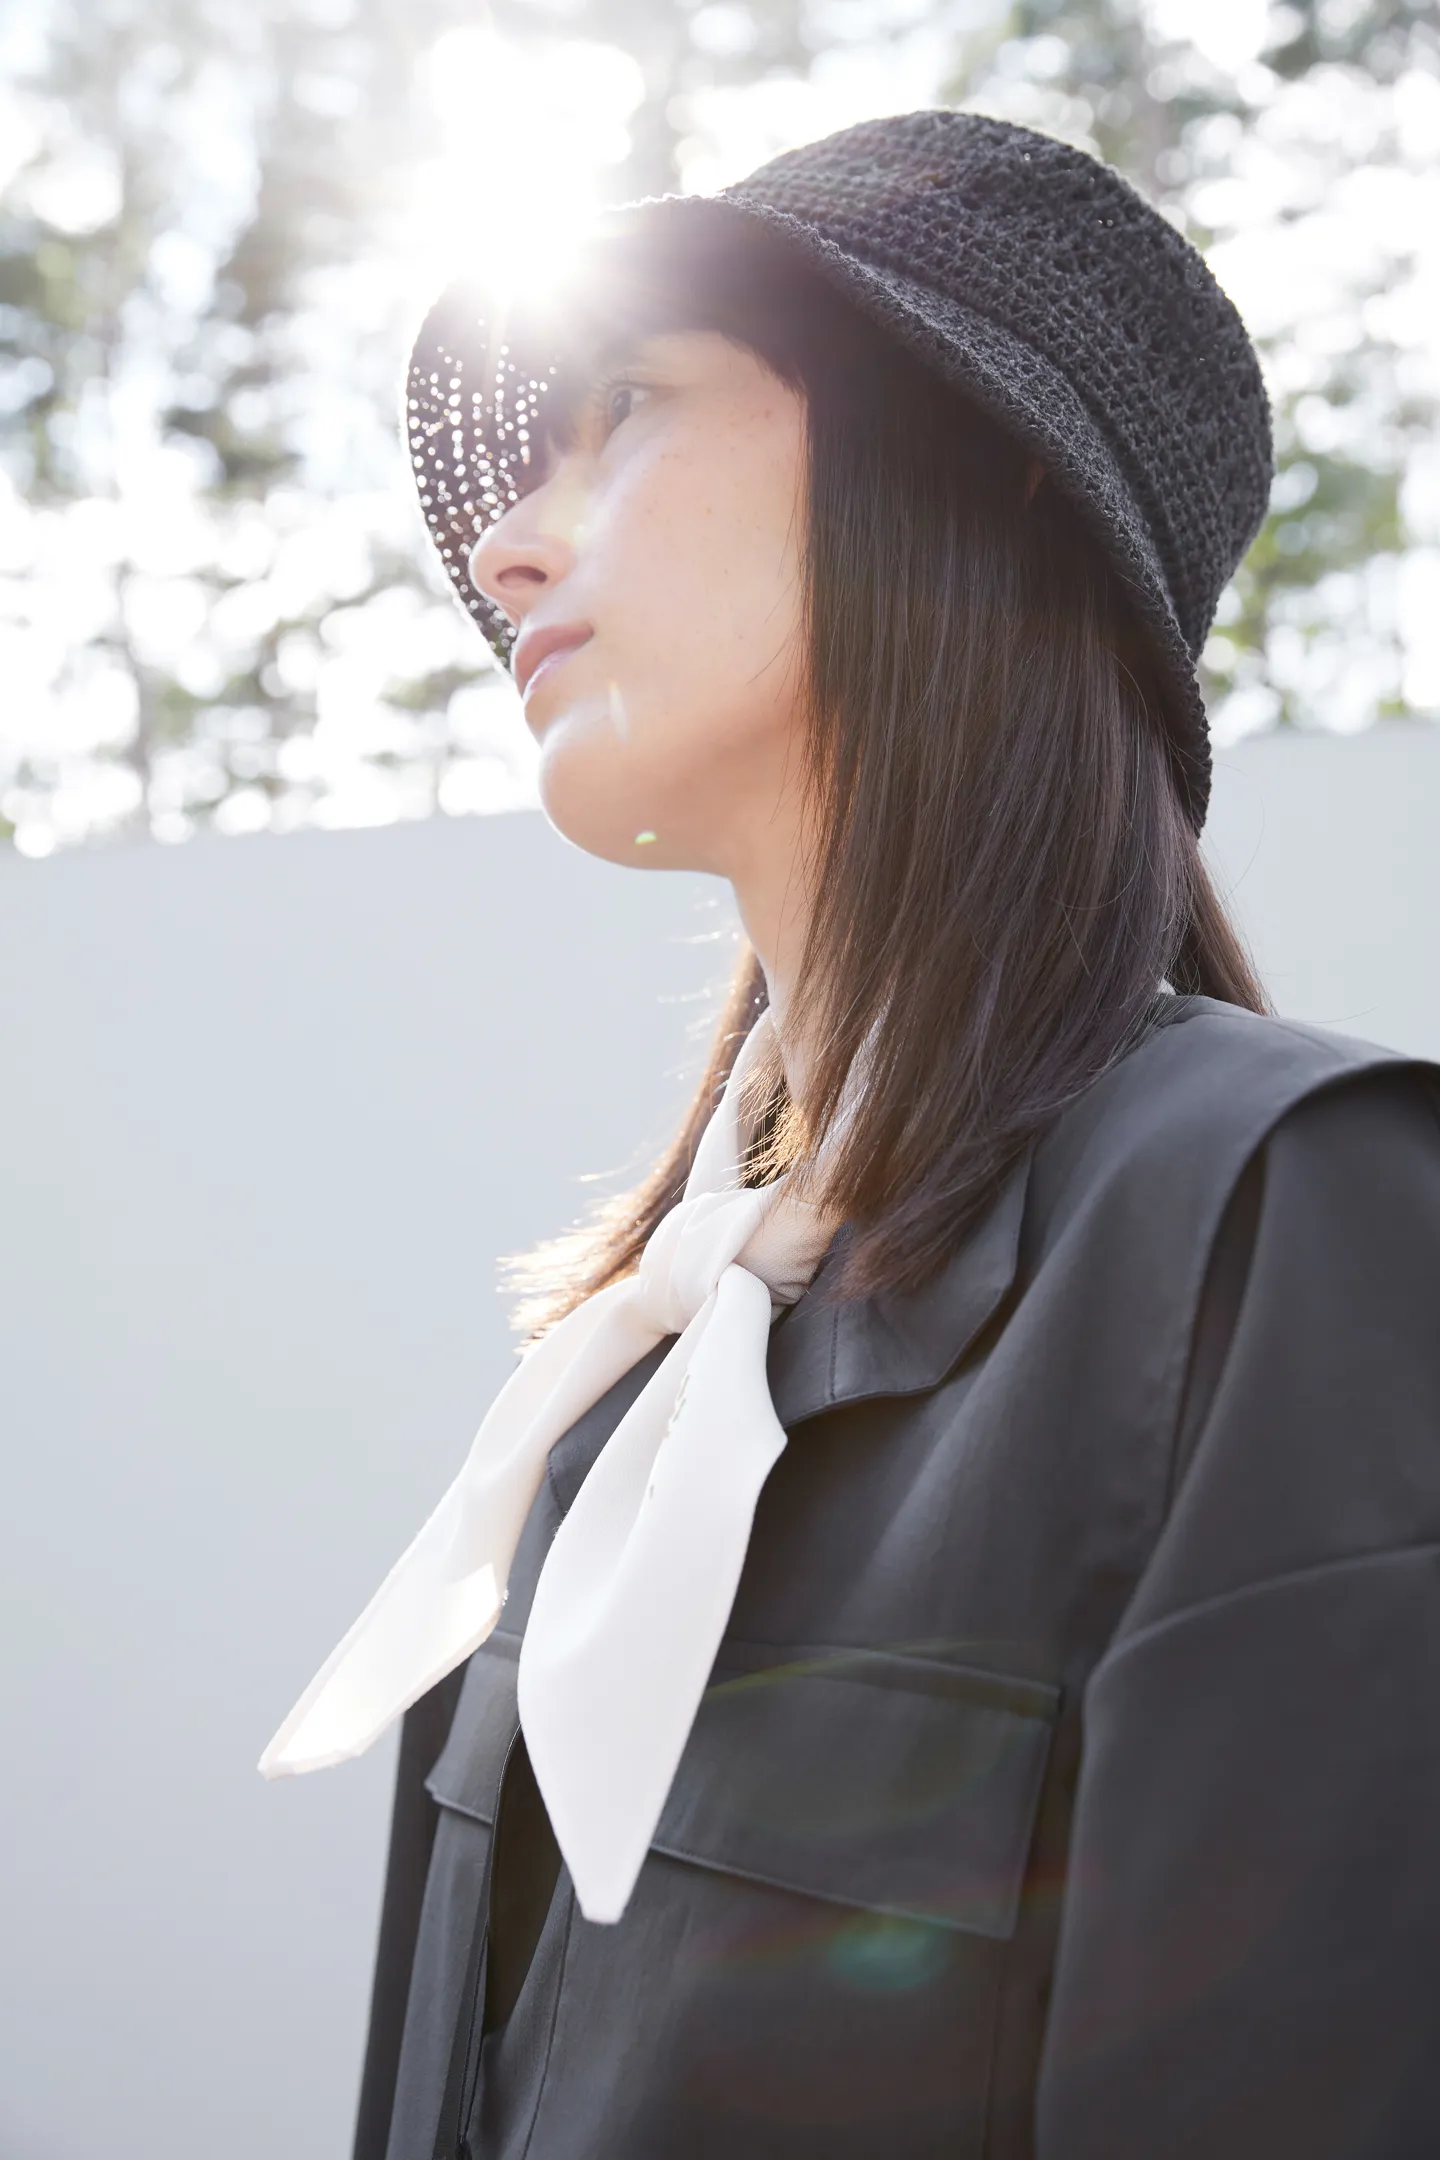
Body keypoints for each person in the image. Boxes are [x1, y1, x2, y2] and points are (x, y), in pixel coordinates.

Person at [262, 112, 1440, 2159]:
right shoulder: (612, 1389)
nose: (503, 547)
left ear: (981, 472)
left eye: (624, 409)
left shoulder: (1282, 1232)